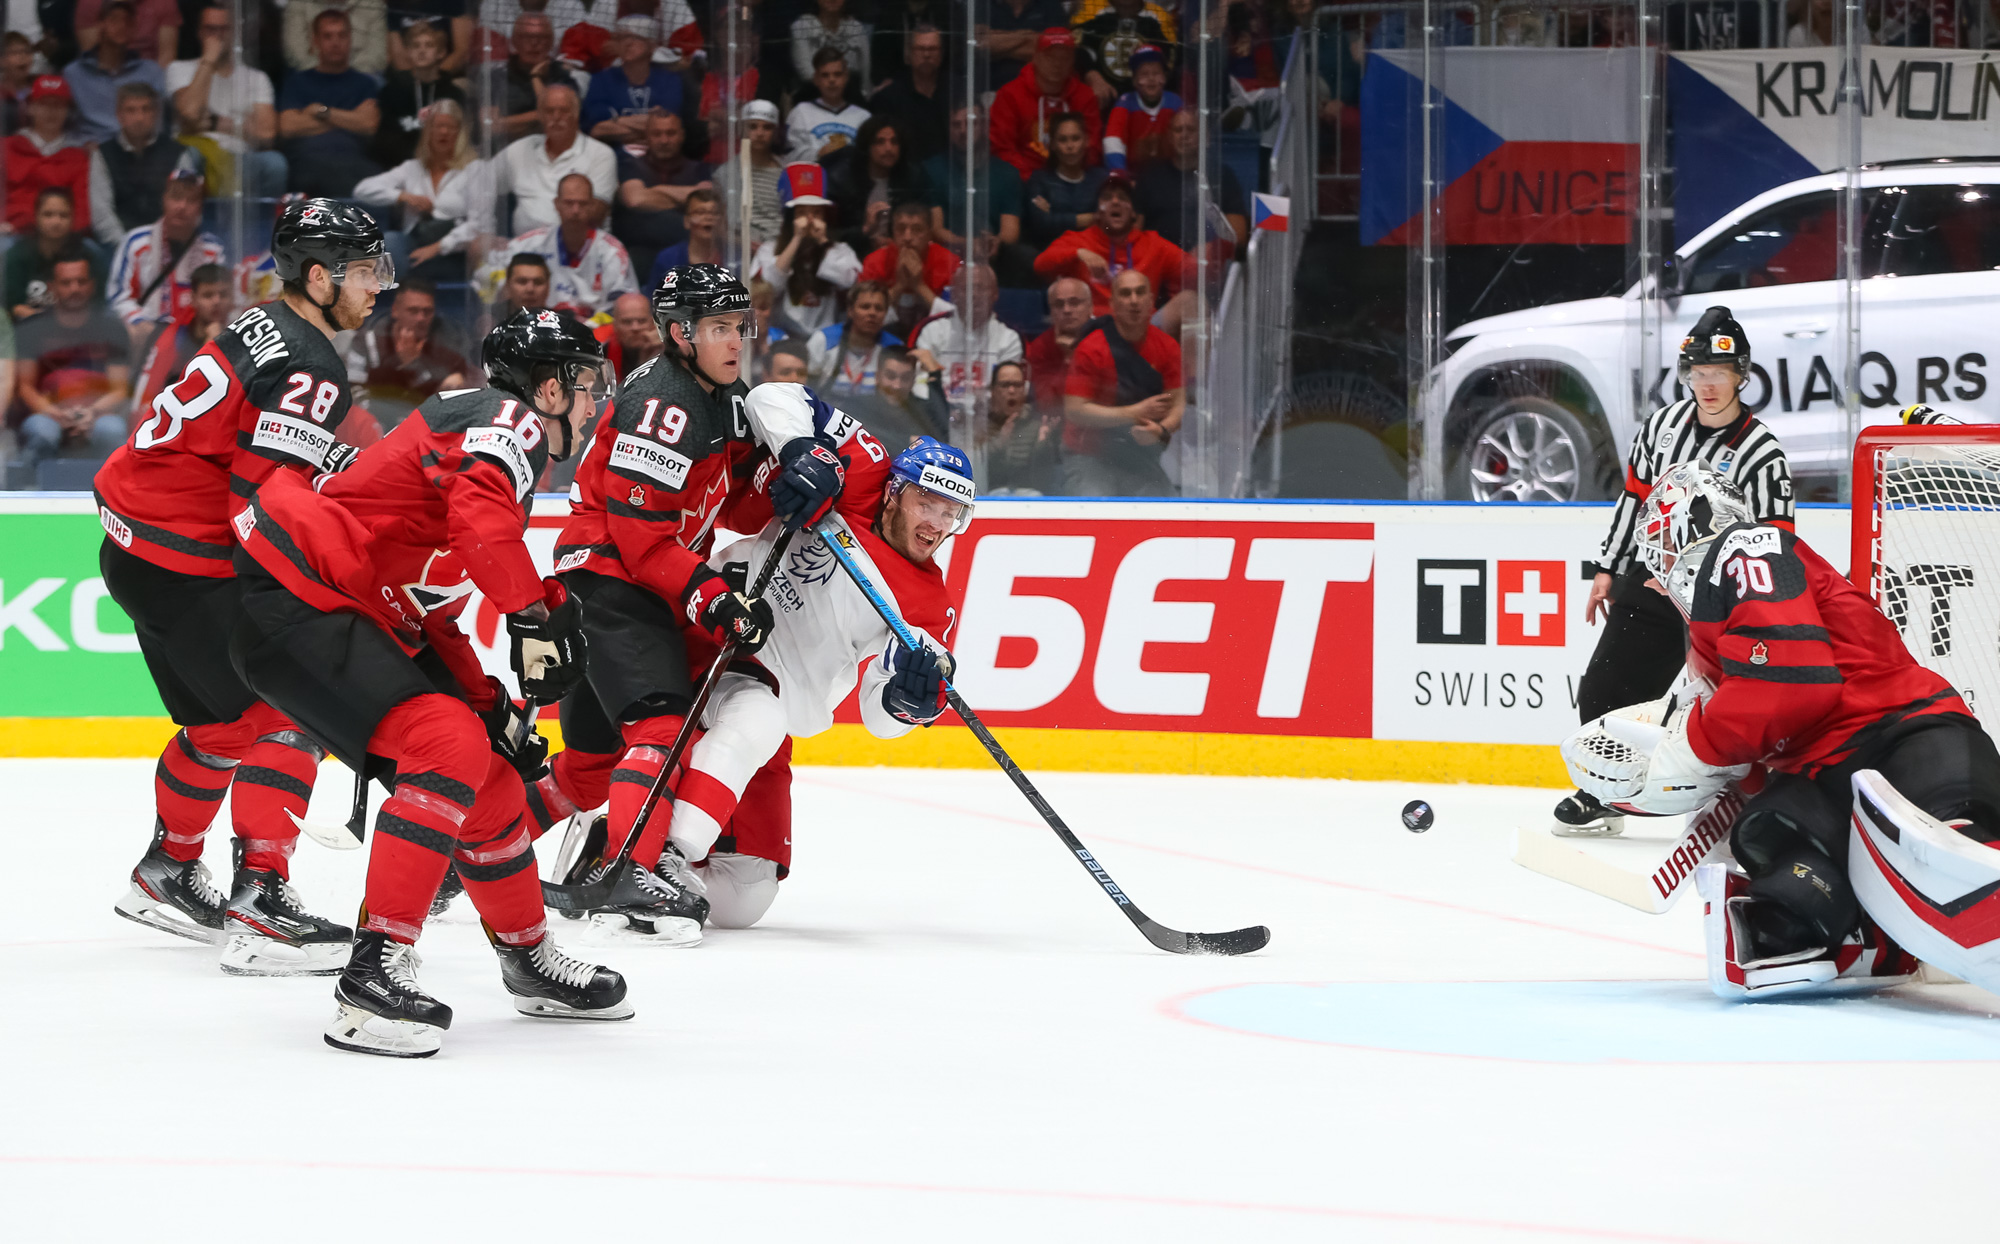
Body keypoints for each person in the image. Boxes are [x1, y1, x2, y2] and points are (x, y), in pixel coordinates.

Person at [231, 308, 631, 1056]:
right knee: (445, 745)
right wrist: (535, 614)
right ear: (544, 390)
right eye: (581, 384)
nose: (592, 402)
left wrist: (491, 708)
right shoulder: (508, 425)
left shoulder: (490, 441)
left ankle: (527, 956)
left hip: (337, 605)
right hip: (301, 592)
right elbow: (483, 526)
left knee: (490, 779)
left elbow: (430, 612)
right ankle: (374, 968)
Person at [1559, 458, 2000, 999]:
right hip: (1830, 773)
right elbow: (1756, 738)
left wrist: (1692, 748)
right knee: (1772, 842)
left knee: (1955, 840)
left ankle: (1943, 880)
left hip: (1902, 735)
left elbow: (1794, 683)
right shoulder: (1709, 632)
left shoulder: (1746, 547)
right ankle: (1860, 935)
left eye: (1659, 561)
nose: (1657, 580)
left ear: (1673, 540)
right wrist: (1714, 781)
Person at [92, 199, 389, 975]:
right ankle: (262, 904)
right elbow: (260, 504)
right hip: (187, 561)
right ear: (319, 277)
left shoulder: (263, 322)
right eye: (362, 272)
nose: (375, 287)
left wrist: (328, 469)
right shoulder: (313, 362)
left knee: (223, 727)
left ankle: (168, 871)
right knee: (293, 709)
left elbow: (247, 453)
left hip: (135, 550)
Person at [542, 263, 848, 945]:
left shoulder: (724, 396)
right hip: (609, 582)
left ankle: (469, 849)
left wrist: (790, 484)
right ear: (680, 334)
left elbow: (728, 497)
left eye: (739, 324)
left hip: (633, 583)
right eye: (717, 327)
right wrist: (714, 598)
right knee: (658, 727)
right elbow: (639, 538)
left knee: (588, 765)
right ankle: (630, 869)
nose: (734, 339)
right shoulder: (664, 403)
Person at [628, 431, 970, 931]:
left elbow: (879, 718)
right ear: (894, 491)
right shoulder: (857, 481)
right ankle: (662, 861)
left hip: (782, 700)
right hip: (721, 632)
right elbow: (774, 398)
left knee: (743, 900)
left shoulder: (927, 609)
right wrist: (803, 454)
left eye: (950, 512)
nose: (937, 524)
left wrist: (906, 703)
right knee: (758, 716)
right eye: (928, 502)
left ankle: (615, 833)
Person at [1556, 307, 1794, 838]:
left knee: (1734, 703)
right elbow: (1634, 500)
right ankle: (1606, 792)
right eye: (1698, 373)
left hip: (1724, 602)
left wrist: (1768, 608)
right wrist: (1606, 569)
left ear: (1741, 376)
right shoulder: (1661, 429)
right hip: (1652, 580)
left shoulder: (1762, 452)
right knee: (1602, 687)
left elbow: (1779, 538)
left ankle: (1749, 800)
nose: (1708, 385)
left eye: (1720, 374)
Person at [10, 249, 132, 481]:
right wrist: (55, 413)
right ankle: (24, 496)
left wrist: (91, 413)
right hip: (46, 413)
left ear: (92, 285)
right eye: (66, 283)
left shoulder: (112, 328)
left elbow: (119, 389)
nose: (74, 288)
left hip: (99, 412)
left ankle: (112, 498)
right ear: (53, 287)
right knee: (41, 431)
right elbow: (25, 387)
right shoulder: (31, 329)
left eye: (81, 281)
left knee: (112, 430)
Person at [1062, 267, 1182, 496]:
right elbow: (1075, 410)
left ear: (1150, 301)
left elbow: (1178, 403)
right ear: (1113, 303)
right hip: (1088, 455)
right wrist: (1135, 412)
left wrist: (1162, 429)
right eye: (1126, 294)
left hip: (1139, 457)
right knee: (1094, 512)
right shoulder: (1091, 349)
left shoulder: (1168, 347)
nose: (1134, 301)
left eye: (1140, 293)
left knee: (1168, 514)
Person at [352, 98, 493, 283]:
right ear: (428, 132)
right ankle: (397, 302)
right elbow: (362, 190)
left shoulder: (476, 169)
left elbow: (481, 223)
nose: (444, 132)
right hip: (415, 245)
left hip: (457, 250)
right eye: (437, 126)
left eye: (450, 127)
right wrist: (402, 196)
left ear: (461, 132)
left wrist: (437, 247)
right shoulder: (412, 168)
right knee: (390, 241)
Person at [166, 4, 284, 200]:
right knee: (190, 156)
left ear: (235, 33)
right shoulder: (179, 69)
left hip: (241, 158)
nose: (218, 36)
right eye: (211, 29)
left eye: (224, 29)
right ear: (200, 32)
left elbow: (266, 133)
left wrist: (215, 122)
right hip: (197, 154)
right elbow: (190, 113)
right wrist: (208, 61)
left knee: (275, 163)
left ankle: (264, 227)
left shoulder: (256, 78)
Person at [106, 170, 227, 353]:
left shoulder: (213, 249)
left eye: (191, 200)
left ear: (201, 207)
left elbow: (223, 298)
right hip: (147, 334)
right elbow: (118, 297)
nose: (182, 206)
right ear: (164, 200)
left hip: (194, 337)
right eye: (176, 197)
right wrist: (139, 322)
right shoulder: (136, 242)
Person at [1033, 173, 1184, 315]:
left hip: (1144, 327)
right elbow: (1040, 265)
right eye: (1107, 198)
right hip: (1094, 329)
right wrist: (1079, 253)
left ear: (1133, 213)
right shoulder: (1079, 241)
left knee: (1189, 300)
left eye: (1123, 198)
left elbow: (1192, 271)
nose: (1115, 202)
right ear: (1097, 213)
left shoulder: (1153, 244)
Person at [499, 172, 638, 319]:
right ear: (556, 204)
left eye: (582, 204)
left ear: (592, 206)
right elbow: (489, 283)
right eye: (569, 203)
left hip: (594, 334)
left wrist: (589, 329)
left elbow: (624, 305)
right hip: (538, 326)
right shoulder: (528, 244)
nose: (575, 210)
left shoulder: (612, 251)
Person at [275, 9, 383, 198]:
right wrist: (350, 119)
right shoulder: (297, 81)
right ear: (315, 41)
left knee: (377, 179)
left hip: (353, 162)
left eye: (342, 35)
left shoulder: (364, 84)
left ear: (350, 39)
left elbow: (368, 125)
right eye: (328, 36)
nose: (335, 42)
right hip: (307, 165)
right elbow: (288, 127)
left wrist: (321, 112)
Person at [748, 163, 862, 337]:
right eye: (801, 213)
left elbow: (850, 281)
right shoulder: (768, 250)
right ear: (789, 218)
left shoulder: (841, 250)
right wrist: (796, 239)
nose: (809, 221)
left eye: (816, 213)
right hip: (782, 337)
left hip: (828, 337)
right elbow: (767, 289)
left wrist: (823, 242)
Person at [343, 276, 473, 428]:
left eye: (427, 311)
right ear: (395, 310)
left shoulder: (449, 338)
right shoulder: (368, 338)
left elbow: (460, 383)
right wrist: (403, 365)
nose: (421, 318)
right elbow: (352, 386)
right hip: (377, 416)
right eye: (413, 311)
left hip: (431, 419)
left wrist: (413, 364)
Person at [910, 263, 1023, 431]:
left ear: (995, 294)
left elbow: (1008, 395)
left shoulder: (1008, 339)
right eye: (966, 289)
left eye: (980, 288)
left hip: (989, 428)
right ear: (954, 294)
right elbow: (921, 386)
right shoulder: (933, 332)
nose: (974, 295)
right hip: (938, 423)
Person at [494, 81, 616, 235]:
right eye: (549, 111)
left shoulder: (600, 154)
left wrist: (543, 237)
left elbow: (592, 217)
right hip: (524, 252)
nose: (556, 117)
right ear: (540, 115)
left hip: (577, 249)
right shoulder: (521, 149)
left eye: (564, 110)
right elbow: (479, 185)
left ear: (576, 114)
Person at [88, 82, 202, 242]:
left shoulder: (178, 153)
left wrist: (160, 246)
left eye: (146, 109)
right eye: (131, 110)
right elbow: (101, 214)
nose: (139, 117)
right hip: (119, 244)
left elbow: (187, 205)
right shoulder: (102, 154)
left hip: (168, 243)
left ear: (156, 113)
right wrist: (129, 245)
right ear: (119, 115)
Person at [614, 110, 713, 281]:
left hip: (686, 258)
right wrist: (684, 199)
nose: (664, 140)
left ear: (682, 135)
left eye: (671, 133)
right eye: (657, 134)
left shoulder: (699, 169)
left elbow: (704, 200)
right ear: (646, 137)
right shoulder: (631, 165)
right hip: (638, 256)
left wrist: (654, 191)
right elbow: (635, 199)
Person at [990, 28, 1100, 181]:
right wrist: (1032, 180)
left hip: (1074, 179)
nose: (1057, 64)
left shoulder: (1085, 96)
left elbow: (1092, 147)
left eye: (1064, 58)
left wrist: (1070, 176)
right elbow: (1002, 148)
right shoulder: (1010, 95)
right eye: (1050, 57)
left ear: (1073, 61)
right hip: (1025, 182)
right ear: (1036, 57)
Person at [1134, 107, 1248, 252]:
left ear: (1204, 136)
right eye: (1178, 130)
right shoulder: (1149, 177)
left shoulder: (1222, 176)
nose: (1184, 135)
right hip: (1159, 262)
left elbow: (1238, 237)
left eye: (1191, 130)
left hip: (1205, 265)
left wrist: (1211, 249)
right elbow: (1133, 234)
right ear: (1170, 137)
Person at [62, 2, 167, 146]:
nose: (122, 25)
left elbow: (160, 124)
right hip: (91, 150)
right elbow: (65, 126)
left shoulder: (150, 71)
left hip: (140, 150)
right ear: (101, 24)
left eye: (128, 21)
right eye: (114, 19)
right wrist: (81, 145)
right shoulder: (74, 73)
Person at [132, 260, 229, 414]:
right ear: (193, 299)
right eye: (208, 295)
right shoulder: (172, 337)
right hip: (173, 419)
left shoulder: (242, 335)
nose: (216, 302)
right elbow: (145, 399)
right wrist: (212, 347)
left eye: (223, 295)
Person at [823, 114, 927, 253]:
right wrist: (864, 231)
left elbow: (923, 227)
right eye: (880, 142)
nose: (888, 148)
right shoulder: (841, 180)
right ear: (867, 146)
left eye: (894, 142)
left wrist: (896, 242)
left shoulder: (912, 178)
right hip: (850, 256)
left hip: (900, 253)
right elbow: (829, 234)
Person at [859, 198, 959, 342]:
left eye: (917, 230)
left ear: (930, 235)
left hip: (937, 339)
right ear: (892, 232)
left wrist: (919, 285)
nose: (907, 237)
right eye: (900, 229)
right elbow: (863, 315)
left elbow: (956, 319)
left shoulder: (950, 263)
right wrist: (899, 286)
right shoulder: (875, 261)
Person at [4, 77, 94, 235]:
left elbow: (82, 211)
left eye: (58, 105)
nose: (51, 111)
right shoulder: (6, 148)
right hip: (11, 233)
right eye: (44, 104)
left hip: (62, 236)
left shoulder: (79, 157)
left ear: (68, 112)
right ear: (30, 108)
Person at [372, 20, 466, 170]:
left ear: (441, 52)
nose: (421, 51)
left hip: (443, 168)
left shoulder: (453, 94)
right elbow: (383, 141)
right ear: (408, 52)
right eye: (416, 46)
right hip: (400, 167)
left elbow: (460, 140)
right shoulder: (392, 91)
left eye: (429, 45)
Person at [583, 15, 688, 148]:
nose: (628, 43)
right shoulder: (601, 80)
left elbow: (666, 127)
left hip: (657, 157)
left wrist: (617, 121)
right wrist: (650, 127)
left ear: (651, 45)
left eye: (636, 37)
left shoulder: (669, 81)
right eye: (622, 38)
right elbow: (597, 129)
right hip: (615, 157)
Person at [5, 188, 109, 319]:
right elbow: (12, 306)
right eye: (48, 215)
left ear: (73, 218)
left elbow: (98, 304)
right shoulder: (17, 255)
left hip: (78, 327)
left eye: (63, 215)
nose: (56, 222)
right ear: (36, 216)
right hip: (26, 328)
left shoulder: (89, 255)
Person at [866, 23, 947, 168]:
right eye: (920, 49)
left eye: (933, 49)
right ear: (908, 54)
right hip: (903, 176)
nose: (927, 54)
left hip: (949, 177)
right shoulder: (887, 98)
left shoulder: (956, 92)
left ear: (941, 54)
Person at [1025, 112, 1108, 250]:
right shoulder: (1040, 180)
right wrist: (1088, 218)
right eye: (1062, 140)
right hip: (1051, 253)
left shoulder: (1101, 179)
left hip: (1095, 250)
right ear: (1052, 144)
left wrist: (1055, 218)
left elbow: (1108, 222)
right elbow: (1041, 224)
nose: (1070, 146)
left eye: (1075, 138)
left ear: (1086, 141)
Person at [805, 279, 900, 398]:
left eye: (879, 308)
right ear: (850, 311)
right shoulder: (824, 340)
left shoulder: (894, 349)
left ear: (885, 313)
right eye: (865, 307)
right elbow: (806, 388)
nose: (872, 313)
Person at [491, 12, 576, 142]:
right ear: (514, 41)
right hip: (505, 149)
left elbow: (561, 122)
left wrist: (535, 77)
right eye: (526, 37)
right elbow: (492, 126)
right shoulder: (497, 76)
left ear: (551, 42)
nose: (534, 43)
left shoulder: (563, 75)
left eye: (541, 37)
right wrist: (539, 116)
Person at [1074, 0, 1175, 108]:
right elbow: (1078, 48)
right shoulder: (1091, 10)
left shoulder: (1159, 17)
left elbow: (1171, 57)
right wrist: (1091, 74)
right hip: (1104, 98)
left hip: (1144, 102)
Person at [983, 358, 1060, 494]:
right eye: (1005, 385)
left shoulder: (1037, 424)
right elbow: (977, 470)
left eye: (1017, 385)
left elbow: (1045, 479)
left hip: (1029, 498)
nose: (1012, 390)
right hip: (989, 497)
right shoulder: (981, 424)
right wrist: (1000, 443)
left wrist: (1043, 444)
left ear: (1025, 389)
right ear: (993, 390)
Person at [718, 97, 784, 248]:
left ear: (776, 132)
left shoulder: (787, 172)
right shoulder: (725, 173)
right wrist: (744, 245)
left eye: (767, 127)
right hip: (740, 251)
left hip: (781, 249)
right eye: (753, 127)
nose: (759, 133)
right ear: (742, 129)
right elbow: (720, 229)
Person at [851, 345, 944, 449]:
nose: (897, 386)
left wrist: (934, 374)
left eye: (905, 378)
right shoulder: (859, 407)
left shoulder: (922, 411)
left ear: (913, 380)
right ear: (877, 376)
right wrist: (907, 440)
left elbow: (942, 435)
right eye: (890, 376)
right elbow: (865, 438)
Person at [1102, 45, 1178, 172]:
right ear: (1134, 81)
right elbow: (1113, 141)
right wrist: (1121, 175)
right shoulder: (1125, 104)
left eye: (1156, 73)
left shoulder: (1175, 103)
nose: (1151, 79)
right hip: (1132, 177)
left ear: (1164, 78)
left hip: (1169, 175)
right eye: (1144, 74)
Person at [787, 49, 870, 165]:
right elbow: (788, 157)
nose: (832, 80)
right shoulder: (800, 112)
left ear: (846, 77)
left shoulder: (863, 117)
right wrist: (819, 154)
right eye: (825, 75)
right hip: (813, 179)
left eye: (837, 74)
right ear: (816, 79)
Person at [281, 0, 390, 77]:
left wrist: (344, 73)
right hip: (309, 72)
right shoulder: (298, 2)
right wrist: (325, 70)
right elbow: (295, 52)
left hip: (362, 74)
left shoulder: (373, 3)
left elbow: (377, 56)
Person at [647, 186, 725, 287]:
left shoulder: (734, 258)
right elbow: (656, 298)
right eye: (700, 212)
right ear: (687, 221)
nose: (708, 218)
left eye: (715, 213)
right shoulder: (668, 259)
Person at [983, 0, 1072, 86]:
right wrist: (1029, 37)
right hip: (990, 90)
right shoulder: (983, 4)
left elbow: (1056, 48)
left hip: (1040, 90)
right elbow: (980, 43)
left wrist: (999, 46)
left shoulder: (1050, 4)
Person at [791, 0, 871, 89]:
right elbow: (806, 73)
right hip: (813, 92)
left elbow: (865, 72)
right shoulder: (802, 27)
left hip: (851, 92)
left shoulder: (856, 27)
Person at [74, 0, 180, 66]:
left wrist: (151, 79)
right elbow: (90, 54)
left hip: (149, 77)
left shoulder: (164, 2)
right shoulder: (90, 3)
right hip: (102, 73)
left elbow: (167, 56)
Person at [386, 8, 474, 75]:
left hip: (449, 74)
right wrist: (415, 82)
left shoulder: (454, 3)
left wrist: (435, 78)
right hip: (408, 78)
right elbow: (397, 55)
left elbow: (462, 50)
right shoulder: (394, 7)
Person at [601, 288, 662, 382]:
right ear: (615, 325)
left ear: (653, 322)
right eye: (627, 322)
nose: (635, 328)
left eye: (642, 321)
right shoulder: (602, 355)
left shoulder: (670, 351)